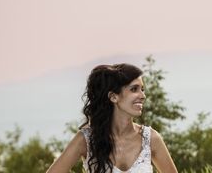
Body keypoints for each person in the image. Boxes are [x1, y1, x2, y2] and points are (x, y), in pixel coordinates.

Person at [47, 63, 178, 173]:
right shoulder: (85, 140)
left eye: (142, 89)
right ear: (113, 97)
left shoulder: (151, 139)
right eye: (134, 89)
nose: (142, 95)